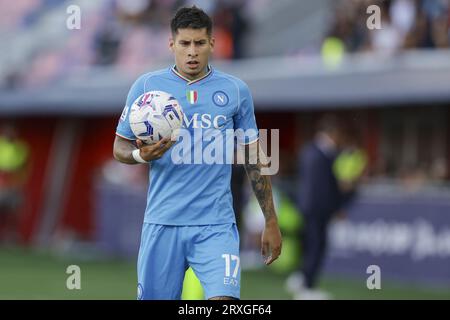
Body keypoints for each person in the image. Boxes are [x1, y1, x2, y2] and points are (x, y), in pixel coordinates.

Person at [113, 6, 282, 300]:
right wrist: (143, 156)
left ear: (212, 44)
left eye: (200, 43)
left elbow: (253, 157)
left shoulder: (235, 90)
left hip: (215, 225)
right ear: (172, 45)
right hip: (163, 222)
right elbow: (120, 147)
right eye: (185, 43)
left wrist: (270, 220)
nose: (192, 52)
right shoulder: (147, 87)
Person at [286, 115, 357, 300]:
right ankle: (307, 287)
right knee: (316, 245)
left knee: (311, 245)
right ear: (332, 133)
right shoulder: (322, 154)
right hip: (318, 208)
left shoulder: (309, 151)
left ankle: (302, 279)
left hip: (310, 207)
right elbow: (324, 187)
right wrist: (337, 204)